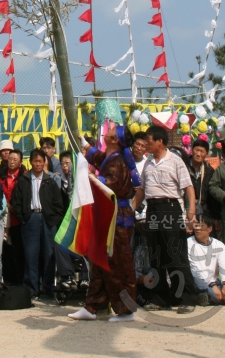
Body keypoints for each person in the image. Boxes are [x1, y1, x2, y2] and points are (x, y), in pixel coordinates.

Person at [68, 123, 142, 323]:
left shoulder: (117, 163)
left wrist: (90, 176)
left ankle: (126, 310)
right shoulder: (111, 158)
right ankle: (92, 306)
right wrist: (85, 146)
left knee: (118, 264)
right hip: (109, 218)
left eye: (112, 130)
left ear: (115, 139)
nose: (108, 130)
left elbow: (108, 184)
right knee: (100, 260)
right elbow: (99, 158)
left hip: (119, 219)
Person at [134, 124, 197, 310]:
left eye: (149, 141)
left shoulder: (175, 161)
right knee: (156, 255)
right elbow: (141, 191)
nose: (146, 144)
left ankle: (186, 298)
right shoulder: (147, 162)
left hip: (170, 209)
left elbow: (189, 188)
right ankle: (160, 298)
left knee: (175, 254)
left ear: (160, 142)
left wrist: (191, 213)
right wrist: (129, 209)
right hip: (152, 210)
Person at [11, 148, 65, 299]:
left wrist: (54, 220)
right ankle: (31, 288)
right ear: (31, 162)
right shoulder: (23, 180)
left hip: (47, 220)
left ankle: (47, 287)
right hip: (30, 219)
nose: (38, 164)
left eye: (40, 161)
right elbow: (16, 202)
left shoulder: (50, 181)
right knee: (31, 254)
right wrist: (22, 218)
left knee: (49, 254)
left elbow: (58, 204)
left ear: (44, 162)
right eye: (35, 161)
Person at [187, 217, 225, 306]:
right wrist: (212, 285)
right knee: (195, 278)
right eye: (196, 226)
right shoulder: (189, 243)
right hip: (201, 282)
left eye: (201, 226)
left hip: (216, 283)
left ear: (210, 229)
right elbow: (196, 268)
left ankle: (209, 298)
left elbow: (224, 266)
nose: (197, 228)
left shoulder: (219, 245)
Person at [0, 148, 25, 284]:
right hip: (4, 220)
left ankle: (20, 281)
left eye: (15, 160)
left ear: (20, 163)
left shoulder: (24, 176)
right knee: (6, 252)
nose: (12, 162)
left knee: (19, 251)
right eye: (10, 159)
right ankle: (8, 280)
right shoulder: (2, 177)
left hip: (18, 219)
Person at [188, 139, 219, 221]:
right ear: (192, 150)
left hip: (205, 212)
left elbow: (212, 196)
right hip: (186, 209)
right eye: (196, 150)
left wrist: (216, 217)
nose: (198, 154)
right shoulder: (183, 167)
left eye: (202, 151)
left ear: (206, 154)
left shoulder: (209, 171)